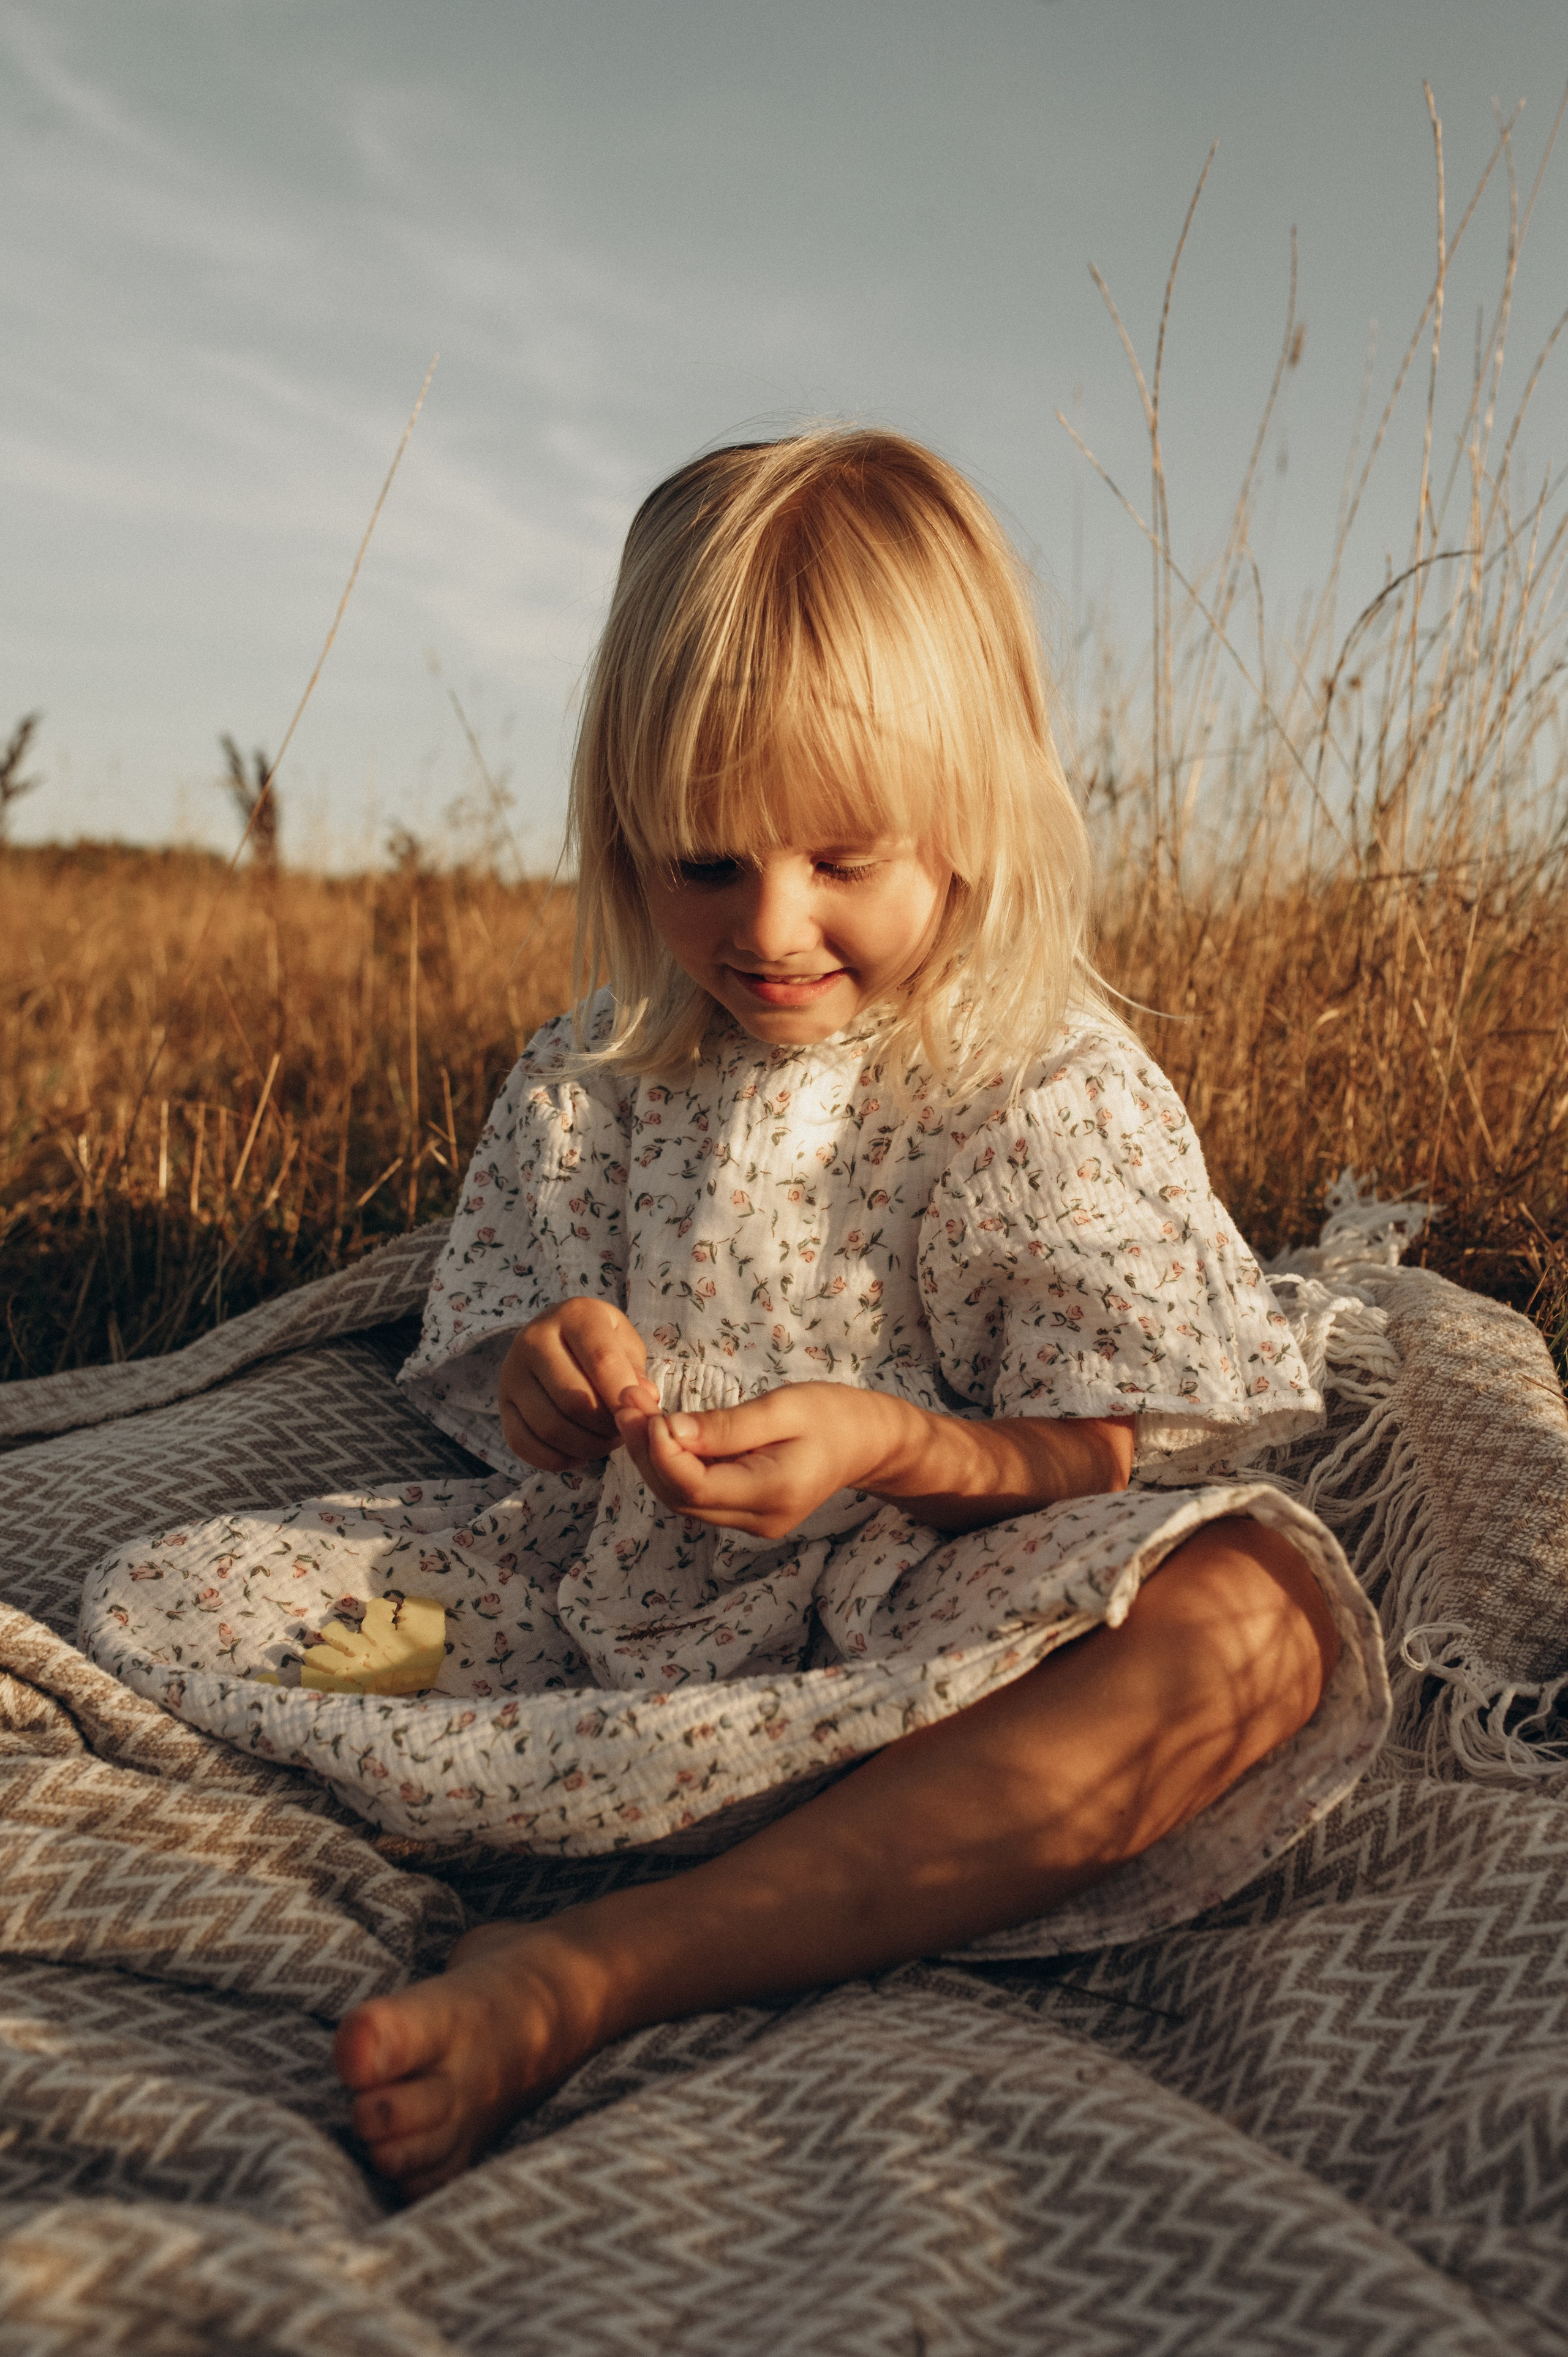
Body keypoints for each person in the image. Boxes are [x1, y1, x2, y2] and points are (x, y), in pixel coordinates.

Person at [79, 429, 1385, 2203]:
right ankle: (639, 1796)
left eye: (844, 857)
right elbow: (502, 1338)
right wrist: (549, 1375)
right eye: (702, 866)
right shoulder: (597, 1077)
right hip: (609, 1601)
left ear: (974, 827)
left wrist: (903, 1445)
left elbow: (1123, 1438)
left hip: (926, 1620)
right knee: (161, 1590)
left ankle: (602, 1960)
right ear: (626, 842)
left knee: (1257, 1623)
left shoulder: (1035, 1080)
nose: (770, 929)